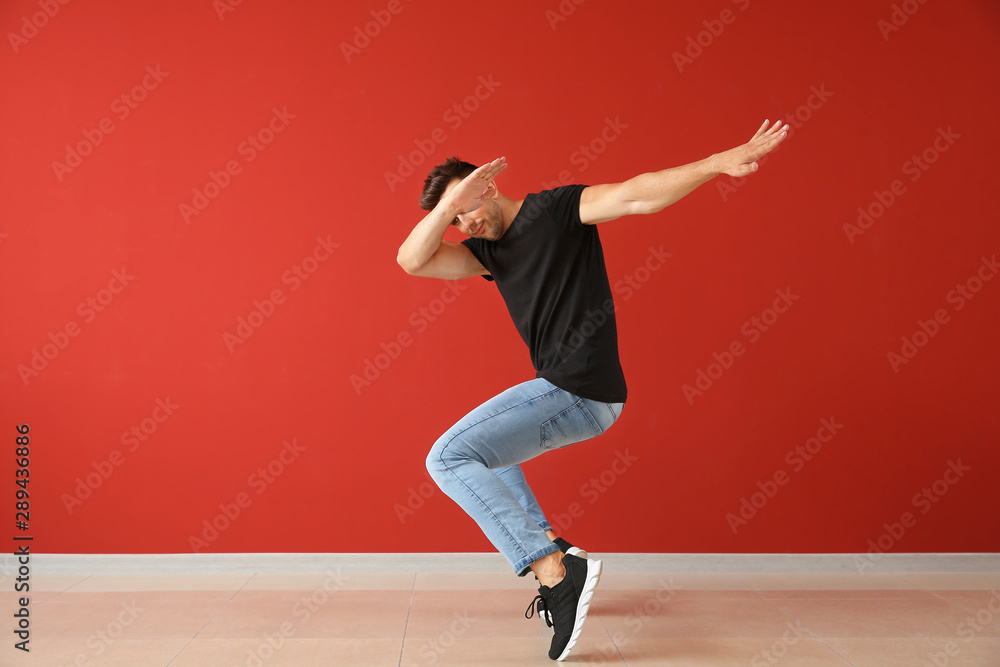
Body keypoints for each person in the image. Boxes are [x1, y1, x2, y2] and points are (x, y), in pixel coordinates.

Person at [395, 119, 789, 661]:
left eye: (468, 208)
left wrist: (715, 163)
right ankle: (552, 553)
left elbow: (633, 196)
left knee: (446, 458)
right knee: (489, 457)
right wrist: (448, 207)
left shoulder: (554, 211)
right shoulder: (486, 253)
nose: (466, 224)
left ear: (489, 185)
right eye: (456, 218)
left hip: (577, 391)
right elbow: (411, 261)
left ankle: (556, 570)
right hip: (576, 395)